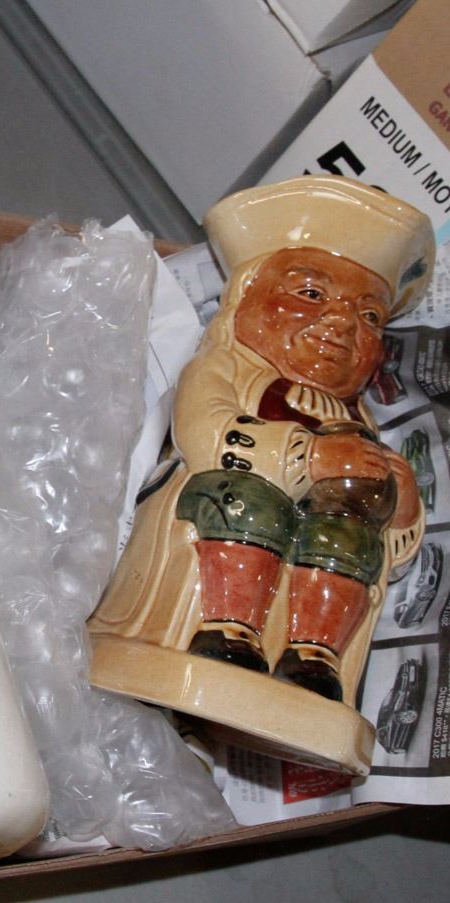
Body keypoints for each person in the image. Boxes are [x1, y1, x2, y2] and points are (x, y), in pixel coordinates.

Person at [90, 176, 434, 704]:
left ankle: (313, 657)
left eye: (369, 316)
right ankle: (226, 630)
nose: (342, 323)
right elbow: (206, 434)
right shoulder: (221, 370)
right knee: (246, 501)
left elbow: (393, 545)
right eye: (311, 293)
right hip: (225, 506)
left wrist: (400, 504)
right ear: (245, 294)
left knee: (350, 538)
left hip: (312, 537)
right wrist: (308, 456)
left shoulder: (357, 419)